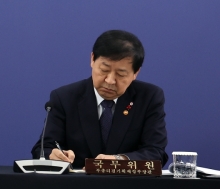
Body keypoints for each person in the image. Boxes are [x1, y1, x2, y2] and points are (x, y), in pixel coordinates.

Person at [31, 30, 167, 168]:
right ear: (92, 59)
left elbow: (156, 152)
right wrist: (53, 154)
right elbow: (43, 149)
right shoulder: (64, 98)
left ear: (135, 73)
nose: (110, 80)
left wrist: (118, 160)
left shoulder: (149, 98)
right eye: (104, 70)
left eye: (121, 74)